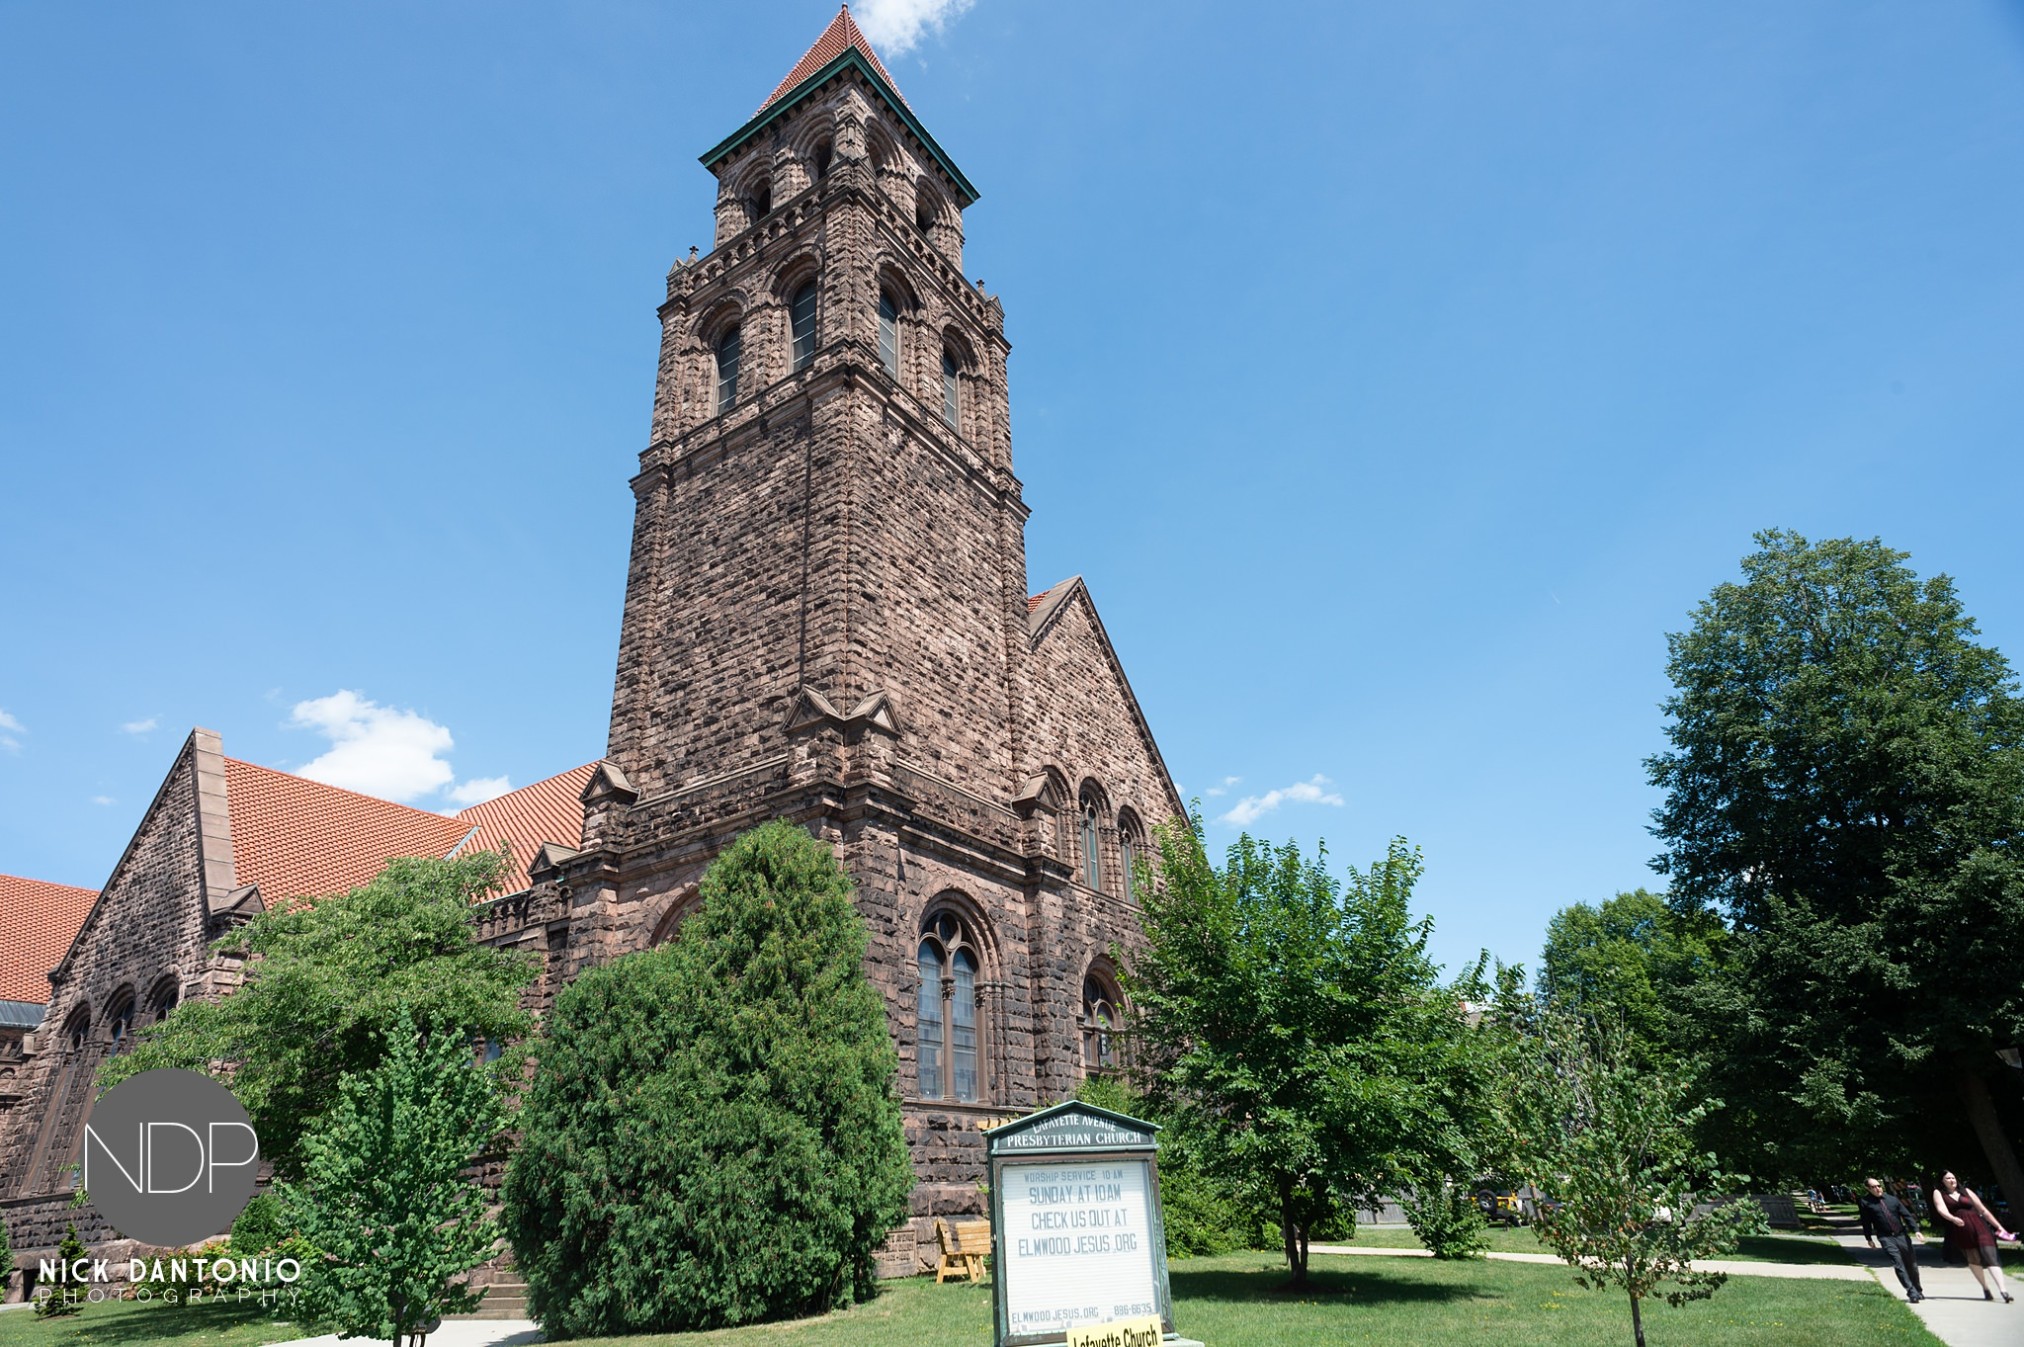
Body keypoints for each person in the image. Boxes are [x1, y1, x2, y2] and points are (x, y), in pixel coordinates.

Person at [1933, 1171, 2016, 1304]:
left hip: (1980, 1227)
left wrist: (1999, 1227)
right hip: (1962, 1230)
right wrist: (1953, 1219)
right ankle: (1986, 1288)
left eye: (1953, 1177)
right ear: (1942, 1181)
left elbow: (1983, 1210)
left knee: (1991, 1257)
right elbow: (1941, 1209)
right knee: (1974, 1260)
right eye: (1948, 1178)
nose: (1951, 1180)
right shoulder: (1939, 1193)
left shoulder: (1966, 1191)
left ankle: (2003, 1291)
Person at [1859, 1177, 1926, 1301]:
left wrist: (1916, 1230)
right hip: (1886, 1237)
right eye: (1873, 1187)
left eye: (1879, 1186)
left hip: (1901, 1235)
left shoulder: (1892, 1199)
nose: (1877, 1188)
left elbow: (1906, 1215)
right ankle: (1911, 1292)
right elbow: (1866, 1222)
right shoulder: (1865, 1202)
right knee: (1898, 1264)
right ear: (1868, 1189)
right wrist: (1869, 1238)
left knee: (1912, 1265)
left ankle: (1918, 1289)